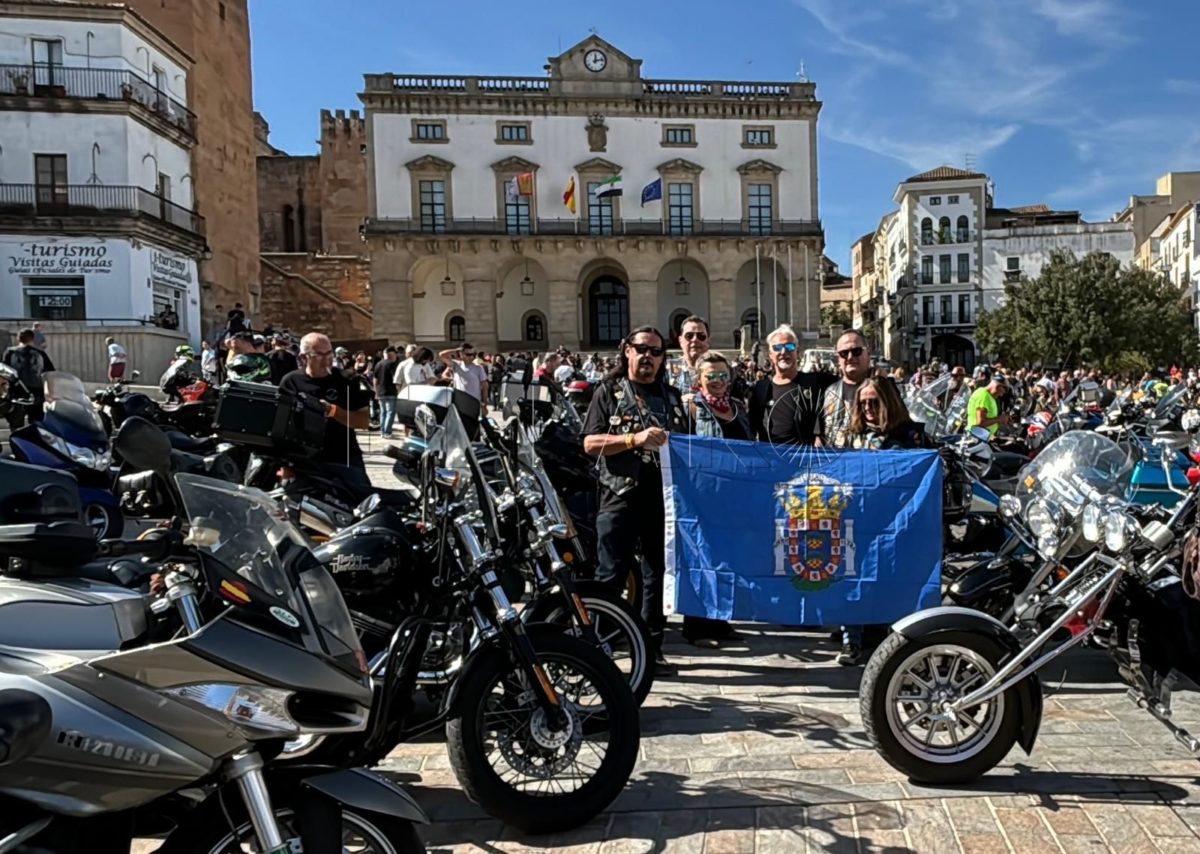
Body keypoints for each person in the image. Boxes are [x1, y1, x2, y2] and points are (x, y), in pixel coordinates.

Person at [582, 326, 689, 675]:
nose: (648, 357)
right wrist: (633, 438)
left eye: (656, 351)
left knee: (658, 573)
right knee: (610, 574)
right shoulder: (608, 392)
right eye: (641, 349)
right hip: (619, 494)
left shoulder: (672, 397)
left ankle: (650, 647)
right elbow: (589, 444)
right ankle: (600, 645)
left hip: (662, 498)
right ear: (627, 351)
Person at [682, 351, 750, 648]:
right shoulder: (691, 407)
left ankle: (720, 620)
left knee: (726, 557)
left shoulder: (736, 407)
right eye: (712, 376)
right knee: (700, 556)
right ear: (700, 379)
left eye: (724, 375)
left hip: (732, 493)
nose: (719, 381)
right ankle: (696, 626)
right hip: (702, 493)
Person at [815, 329, 874, 666]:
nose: (849, 359)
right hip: (838, 492)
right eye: (843, 354)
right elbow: (822, 436)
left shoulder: (883, 390)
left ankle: (857, 635)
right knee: (840, 561)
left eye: (856, 352)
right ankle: (849, 628)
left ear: (868, 354)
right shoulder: (830, 394)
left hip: (872, 492)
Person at [279, 333, 371, 470]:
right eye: (319, 355)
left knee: (362, 490)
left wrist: (333, 411)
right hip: (303, 459)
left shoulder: (347, 379)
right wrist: (285, 465)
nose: (327, 360)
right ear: (303, 358)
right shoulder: (291, 381)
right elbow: (281, 425)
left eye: (329, 354)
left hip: (343, 457)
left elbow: (363, 421)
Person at [749, 325, 835, 446]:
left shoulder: (815, 382)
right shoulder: (760, 389)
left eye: (789, 347)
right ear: (770, 354)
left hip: (804, 459)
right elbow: (751, 427)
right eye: (777, 348)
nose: (784, 352)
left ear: (797, 352)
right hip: (771, 459)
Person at [847, 378, 929, 451]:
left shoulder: (912, 435)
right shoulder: (852, 434)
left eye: (874, 402)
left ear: (889, 403)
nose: (867, 407)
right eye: (862, 403)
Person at [2, 328, 54, 429]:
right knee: (37, 424)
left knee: (16, 426)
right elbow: (50, 373)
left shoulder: (10, 353)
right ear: (33, 339)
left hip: (16, 393)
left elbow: (4, 373)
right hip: (36, 393)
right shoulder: (40, 353)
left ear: (18, 339)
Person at [674, 315, 711, 396]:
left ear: (708, 341)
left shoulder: (724, 371)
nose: (695, 340)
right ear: (680, 341)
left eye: (701, 336)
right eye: (689, 336)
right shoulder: (667, 372)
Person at [968, 373, 1009, 437]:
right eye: (1005, 390)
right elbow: (980, 423)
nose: (1003, 394)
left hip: (985, 437)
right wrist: (999, 419)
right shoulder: (984, 396)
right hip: (978, 438)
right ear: (998, 387)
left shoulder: (988, 396)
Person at [374, 346, 400, 438]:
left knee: (383, 412)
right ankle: (387, 432)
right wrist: (399, 391)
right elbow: (395, 379)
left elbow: (375, 379)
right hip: (391, 392)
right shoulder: (393, 364)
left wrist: (376, 392)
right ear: (392, 354)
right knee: (390, 412)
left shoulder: (378, 364)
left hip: (380, 392)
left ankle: (382, 431)